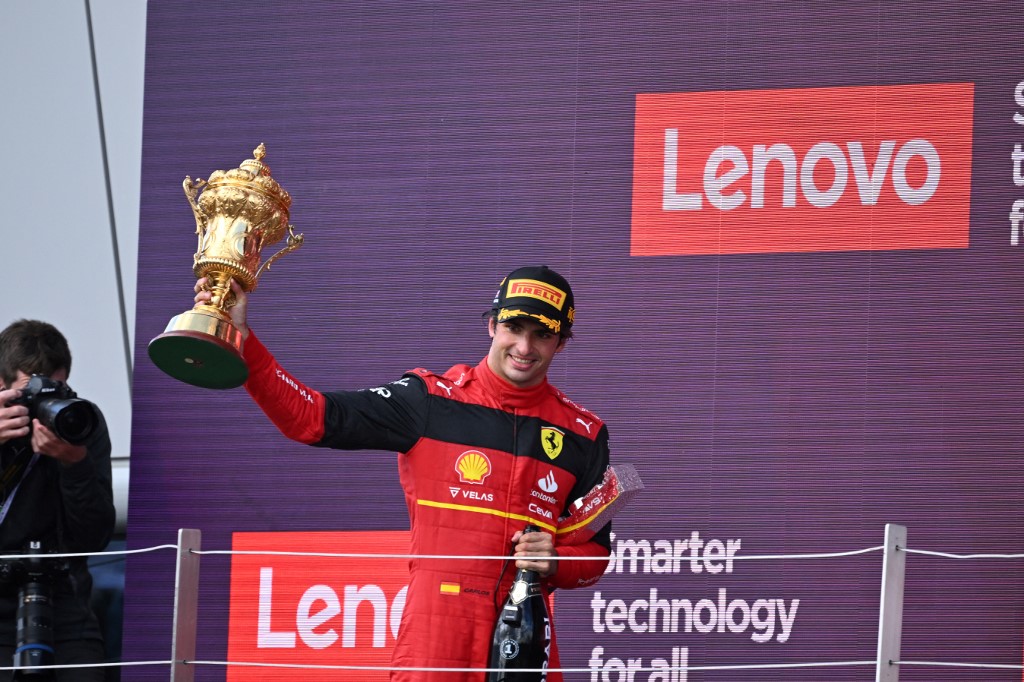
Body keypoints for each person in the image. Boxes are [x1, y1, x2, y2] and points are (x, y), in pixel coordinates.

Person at [198, 265, 612, 681]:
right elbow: (308, 417)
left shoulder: (584, 435)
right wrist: (243, 341)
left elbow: (595, 557)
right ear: (491, 325)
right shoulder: (428, 400)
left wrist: (554, 560)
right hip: (437, 634)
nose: (525, 346)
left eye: (543, 334)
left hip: (525, 639)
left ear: (561, 343)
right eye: (514, 327)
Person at [0, 320, 115, 682]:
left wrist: (75, 462)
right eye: (30, 394)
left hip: (65, 606)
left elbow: (93, 538)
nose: (44, 407)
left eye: (56, 390)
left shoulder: (80, 421)